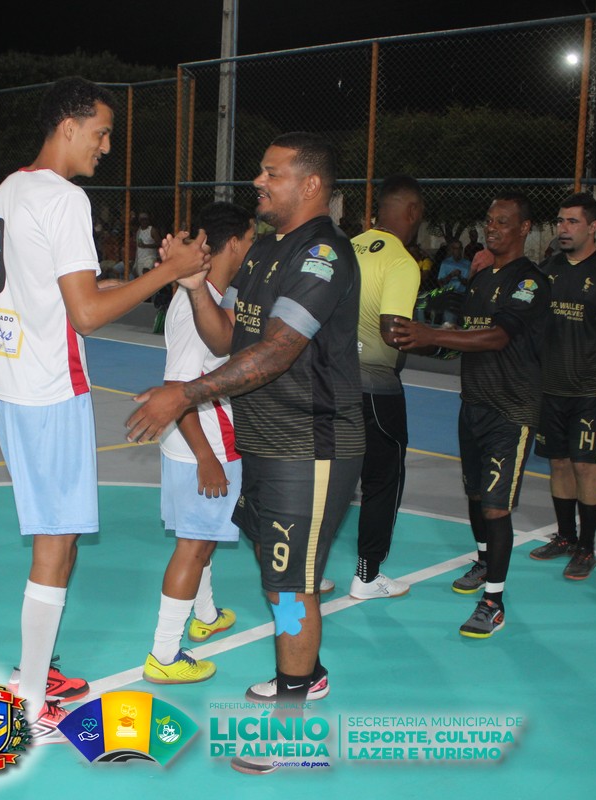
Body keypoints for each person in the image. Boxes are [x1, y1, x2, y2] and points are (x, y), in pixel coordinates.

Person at [126, 132, 364, 775]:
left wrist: (184, 394)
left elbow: (279, 350)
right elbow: (228, 340)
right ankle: (304, 676)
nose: (258, 182)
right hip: (266, 441)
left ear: (310, 184)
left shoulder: (321, 254)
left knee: (290, 583)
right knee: (277, 572)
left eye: (271, 173)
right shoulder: (265, 252)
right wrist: (196, 287)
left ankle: (288, 727)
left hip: (309, 444)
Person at [0, 77, 209, 743]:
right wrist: (169, 273)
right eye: (102, 132)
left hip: (11, 382)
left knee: (62, 535)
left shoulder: (10, 190)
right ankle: (29, 702)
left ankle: (37, 672)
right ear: (69, 126)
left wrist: (135, 281)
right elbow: (85, 315)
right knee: (56, 540)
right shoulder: (64, 198)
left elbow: (58, 291)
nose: (107, 146)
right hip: (49, 389)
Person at [390, 193, 548, 638]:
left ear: (524, 228)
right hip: (473, 404)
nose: (493, 228)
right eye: (490, 220)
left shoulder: (530, 282)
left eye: (503, 222)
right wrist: (418, 342)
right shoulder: (481, 280)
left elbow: (497, 337)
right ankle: (483, 561)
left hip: (511, 410)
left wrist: (432, 334)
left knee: (497, 507)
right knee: (476, 496)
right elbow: (461, 338)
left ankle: (493, 603)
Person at [143, 202, 254, 685]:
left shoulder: (209, 297)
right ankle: (164, 655)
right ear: (232, 243)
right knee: (193, 546)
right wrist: (208, 458)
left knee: (201, 537)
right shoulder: (195, 305)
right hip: (204, 444)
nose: (253, 249)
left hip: (195, 442)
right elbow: (178, 386)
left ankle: (205, 615)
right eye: (251, 240)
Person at [529, 193, 596, 580]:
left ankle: (587, 548)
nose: (563, 228)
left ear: (593, 226)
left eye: (572, 221)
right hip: (550, 387)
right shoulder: (547, 270)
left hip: (591, 389)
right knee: (558, 463)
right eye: (560, 221)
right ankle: (565, 537)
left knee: (584, 465)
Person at [347, 175, 423, 599]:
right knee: (382, 480)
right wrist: (436, 339)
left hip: (330, 381)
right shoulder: (401, 262)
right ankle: (367, 574)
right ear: (412, 211)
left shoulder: (346, 247)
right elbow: (393, 331)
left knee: (333, 478)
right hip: (376, 388)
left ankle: (307, 571)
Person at [132, 211, 160, 277]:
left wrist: (145, 246)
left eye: (145, 219)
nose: (144, 221)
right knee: (140, 276)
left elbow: (159, 243)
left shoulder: (152, 230)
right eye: (142, 220)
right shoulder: (138, 231)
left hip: (150, 257)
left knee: (146, 271)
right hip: (140, 259)